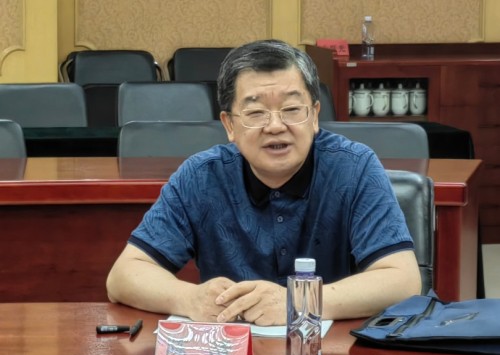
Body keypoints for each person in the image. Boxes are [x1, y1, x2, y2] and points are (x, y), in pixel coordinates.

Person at [107, 39, 421, 325]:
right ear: (229, 125)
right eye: (256, 112)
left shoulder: (354, 168)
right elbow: (123, 276)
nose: (275, 126)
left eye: (291, 109)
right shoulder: (201, 177)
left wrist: (298, 302)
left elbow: (403, 281)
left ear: (314, 116)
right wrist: (189, 298)